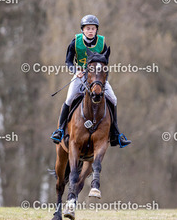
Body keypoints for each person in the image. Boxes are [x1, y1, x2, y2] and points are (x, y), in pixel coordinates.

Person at [50, 14, 131, 148]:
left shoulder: (101, 43)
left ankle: (116, 133)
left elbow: (105, 62)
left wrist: (101, 76)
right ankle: (59, 131)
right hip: (81, 75)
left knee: (113, 99)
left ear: (96, 30)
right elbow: (68, 61)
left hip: (97, 77)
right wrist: (76, 71)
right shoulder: (75, 42)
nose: (90, 31)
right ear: (82, 30)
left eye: (93, 28)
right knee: (69, 99)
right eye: (88, 28)